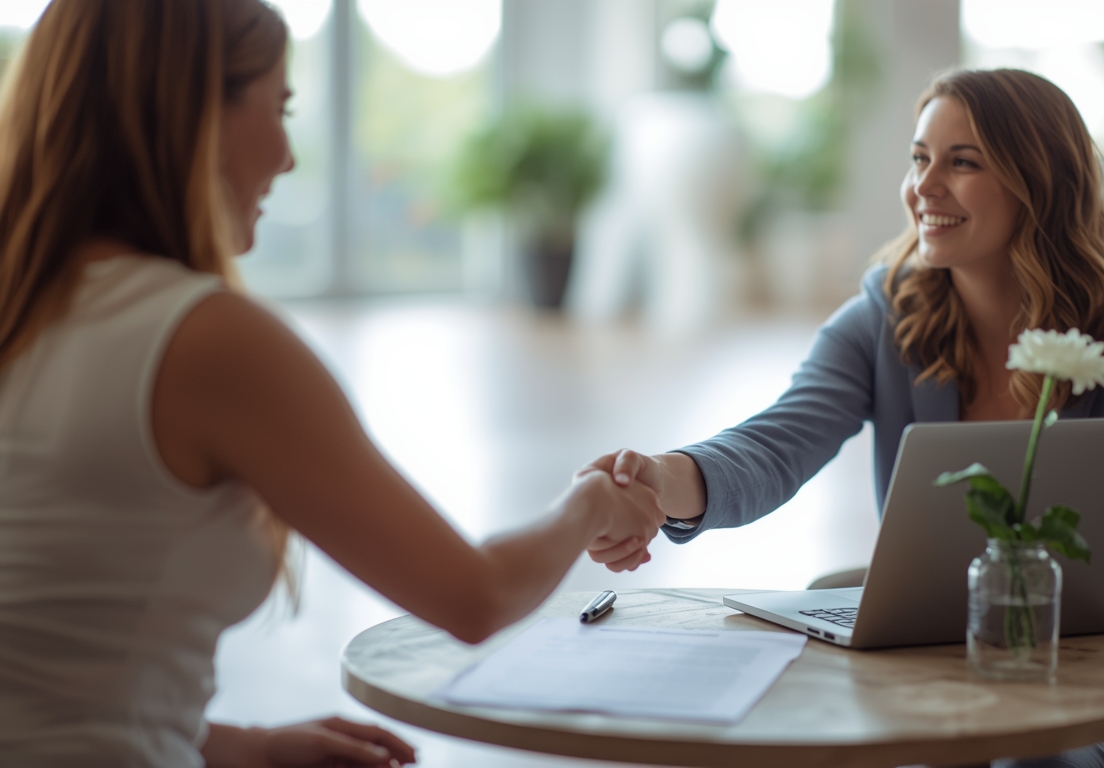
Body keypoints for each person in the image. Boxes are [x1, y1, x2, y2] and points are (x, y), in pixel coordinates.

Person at [0, 1, 663, 766]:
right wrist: (591, 503)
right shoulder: (205, 341)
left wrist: (248, 747)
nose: (286, 155)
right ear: (193, 113)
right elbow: (476, 597)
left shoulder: (25, 309)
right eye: (277, 106)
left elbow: (38, 680)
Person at [583, 69, 1104, 768]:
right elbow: (778, 442)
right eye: (920, 158)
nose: (924, 186)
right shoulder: (884, 317)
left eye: (963, 162)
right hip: (950, 688)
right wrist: (661, 480)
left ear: (1037, 181)